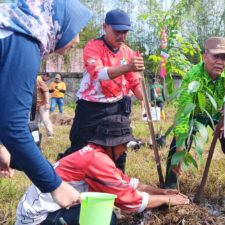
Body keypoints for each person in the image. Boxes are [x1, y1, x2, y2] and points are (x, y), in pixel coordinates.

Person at [15, 115, 189, 225]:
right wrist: (166, 199)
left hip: (43, 209)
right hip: (37, 218)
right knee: (106, 218)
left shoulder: (95, 154)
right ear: (112, 144)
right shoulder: (96, 161)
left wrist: (162, 191)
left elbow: (130, 184)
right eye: (123, 145)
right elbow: (131, 202)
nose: (125, 150)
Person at [0, 0, 91, 209]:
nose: (77, 39)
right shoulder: (22, 40)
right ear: (58, 22)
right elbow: (13, 128)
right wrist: (56, 186)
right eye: (76, 30)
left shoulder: (9, 29)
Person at [59, 9, 145, 172]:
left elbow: (134, 82)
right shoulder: (93, 46)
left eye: (125, 32)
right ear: (105, 27)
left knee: (118, 150)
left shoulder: (128, 52)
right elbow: (98, 73)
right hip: (91, 107)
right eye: (117, 31)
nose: (122, 36)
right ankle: (69, 182)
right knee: (81, 147)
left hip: (117, 108)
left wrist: (146, 102)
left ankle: (117, 185)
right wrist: (127, 67)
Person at [165, 37, 225, 200]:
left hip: (218, 114)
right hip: (195, 114)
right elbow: (184, 111)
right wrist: (180, 145)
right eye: (216, 56)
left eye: (224, 57)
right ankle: (170, 188)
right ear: (204, 56)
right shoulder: (193, 75)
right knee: (176, 148)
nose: (220, 62)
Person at [35, 73, 54, 137]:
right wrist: (47, 103)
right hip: (37, 104)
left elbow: (46, 92)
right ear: (45, 76)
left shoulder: (38, 79)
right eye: (48, 78)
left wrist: (47, 103)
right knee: (35, 121)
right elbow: (46, 92)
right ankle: (35, 135)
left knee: (45, 120)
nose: (48, 80)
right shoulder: (39, 80)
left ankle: (50, 134)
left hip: (42, 104)